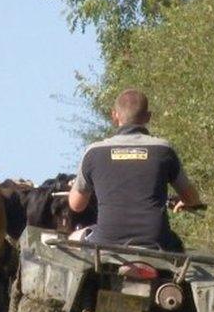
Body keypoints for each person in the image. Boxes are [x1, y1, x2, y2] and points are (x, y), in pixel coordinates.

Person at [68, 89, 203, 251]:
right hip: (157, 241)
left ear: (114, 115)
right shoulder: (163, 150)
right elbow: (193, 199)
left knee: (73, 238)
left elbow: (76, 205)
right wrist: (184, 202)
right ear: (148, 117)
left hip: (106, 240)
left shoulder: (93, 152)